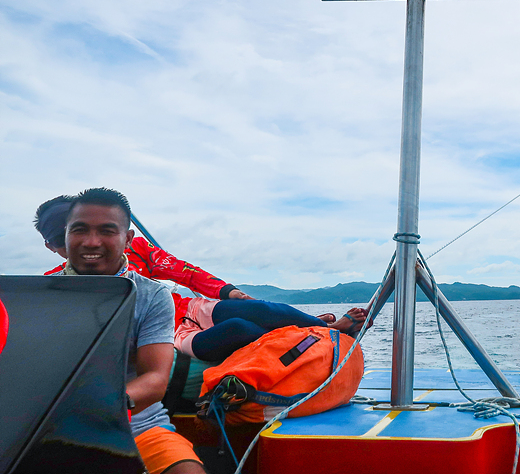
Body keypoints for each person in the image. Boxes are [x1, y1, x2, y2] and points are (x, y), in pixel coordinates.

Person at [35, 195, 369, 362]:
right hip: (167, 332)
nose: (90, 243)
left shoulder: (137, 251)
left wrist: (229, 291)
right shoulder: (54, 290)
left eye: (100, 230)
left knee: (260, 309)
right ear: (55, 245)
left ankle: (325, 328)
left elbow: (182, 270)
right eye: (73, 234)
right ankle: (313, 334)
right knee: (243, 330)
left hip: (184, 307)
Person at [55, 187, 206, 474]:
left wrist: (93, 408)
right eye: (79, 230)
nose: (91, 241)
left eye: (107, 231)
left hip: (137, 426)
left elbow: (155, 379)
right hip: (50, 430)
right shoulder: (40, 294)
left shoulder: (152, 295)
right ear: (66, 235)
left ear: (127, 239)